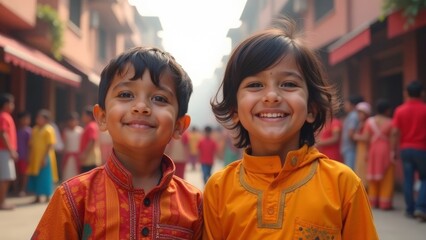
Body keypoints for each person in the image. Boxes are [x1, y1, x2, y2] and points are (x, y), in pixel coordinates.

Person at [204, 17, 378, 239]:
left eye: (289, 84)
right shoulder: (218, 188)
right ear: (234, 110)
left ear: (311, 109)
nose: (272, 96)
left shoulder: (343, 184)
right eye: (255, 85)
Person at [32, 46, 203, 239]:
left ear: (180, 125)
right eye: (125, 95)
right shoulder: (73, 198)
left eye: (159, 98)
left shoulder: (195, 204)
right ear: (102, 117)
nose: (141, 107)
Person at [391, 80, 426, 221]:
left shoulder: (400, 110)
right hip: (422, 149)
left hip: (405, 149)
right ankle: (421, 207)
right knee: (424, 178)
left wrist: (393, 150)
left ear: (407, 93)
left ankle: (410, 209)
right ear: (422, 93)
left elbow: (394, 132)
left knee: (408, 180)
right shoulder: (425, 109)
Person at [360, 99, 395, 210]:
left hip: (373, 149)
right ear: (387, 110)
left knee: (372, 175)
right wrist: (394, 152)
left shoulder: (369, 122)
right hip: (386, 149)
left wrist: (366, 151)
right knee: (387, 175)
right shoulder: (391, 122)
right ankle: (385, 203)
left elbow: (366, 138)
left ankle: (373, 201)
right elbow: (393, 137)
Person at [26, 109, 59, 203]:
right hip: (35, 156)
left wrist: (45, 158)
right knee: (36, 176)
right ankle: (37, 196)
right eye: (37, 118)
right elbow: (31, 144)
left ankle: (48, 196)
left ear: (46, 120)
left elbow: (50, 144)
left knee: (46, 176)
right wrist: (29, 156)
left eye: (40, 118)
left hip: (46, 156)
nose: (38, 119)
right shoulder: (35, 129)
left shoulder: (49, 129)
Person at [0, 93, 18, 210]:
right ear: (6, 104)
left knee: (6, 177)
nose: (13, 106)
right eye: (11, 103)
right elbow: (3, 133)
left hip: (5, 151)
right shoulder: (4, 116)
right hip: (4, 151)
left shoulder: (5, 116)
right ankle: (2, 202)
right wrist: (11, 150)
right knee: (5, 178)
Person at [340, 95, 364, 170]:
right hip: (349, 148)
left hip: (351, 148)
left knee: (350, 170)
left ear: (352, 105)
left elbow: (351, 133)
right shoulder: (352, 115)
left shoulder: (353, 116)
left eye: (347, 103)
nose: (345, 106)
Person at [353, 101, 372, 187]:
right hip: (360, 149)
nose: (359, 115)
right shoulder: (361, 123)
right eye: (358, 113)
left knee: (364, 170)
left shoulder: (368, 123)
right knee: (360, 169)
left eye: (361, 113)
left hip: (366, 149)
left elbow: (366, 138)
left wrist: (355, 136)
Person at [79, 106, 101, 173]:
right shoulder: (92, 125)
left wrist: (84, 154)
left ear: (89, 116)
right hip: (90, 157)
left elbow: (92, 140)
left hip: (90, 158)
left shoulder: (91, 126)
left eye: (83, 115)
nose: (82, 117)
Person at [61, 112, 83, 181]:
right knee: (67, 174)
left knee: (77, 174)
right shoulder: (66, 131)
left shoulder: (80, 131)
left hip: (77, 156)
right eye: (71, 121)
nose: (72, 122)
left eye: (74, 120)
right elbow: (63, 144)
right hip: (68, 156)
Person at [14, 111, 31, 196]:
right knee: (17, 173)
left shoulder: (29, 131)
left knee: (24, 174)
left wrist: (29, 156)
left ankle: (23, 189)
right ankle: (16, 189)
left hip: (25, 156)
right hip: (17, 155)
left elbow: (30, 145)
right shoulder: (17, 130)